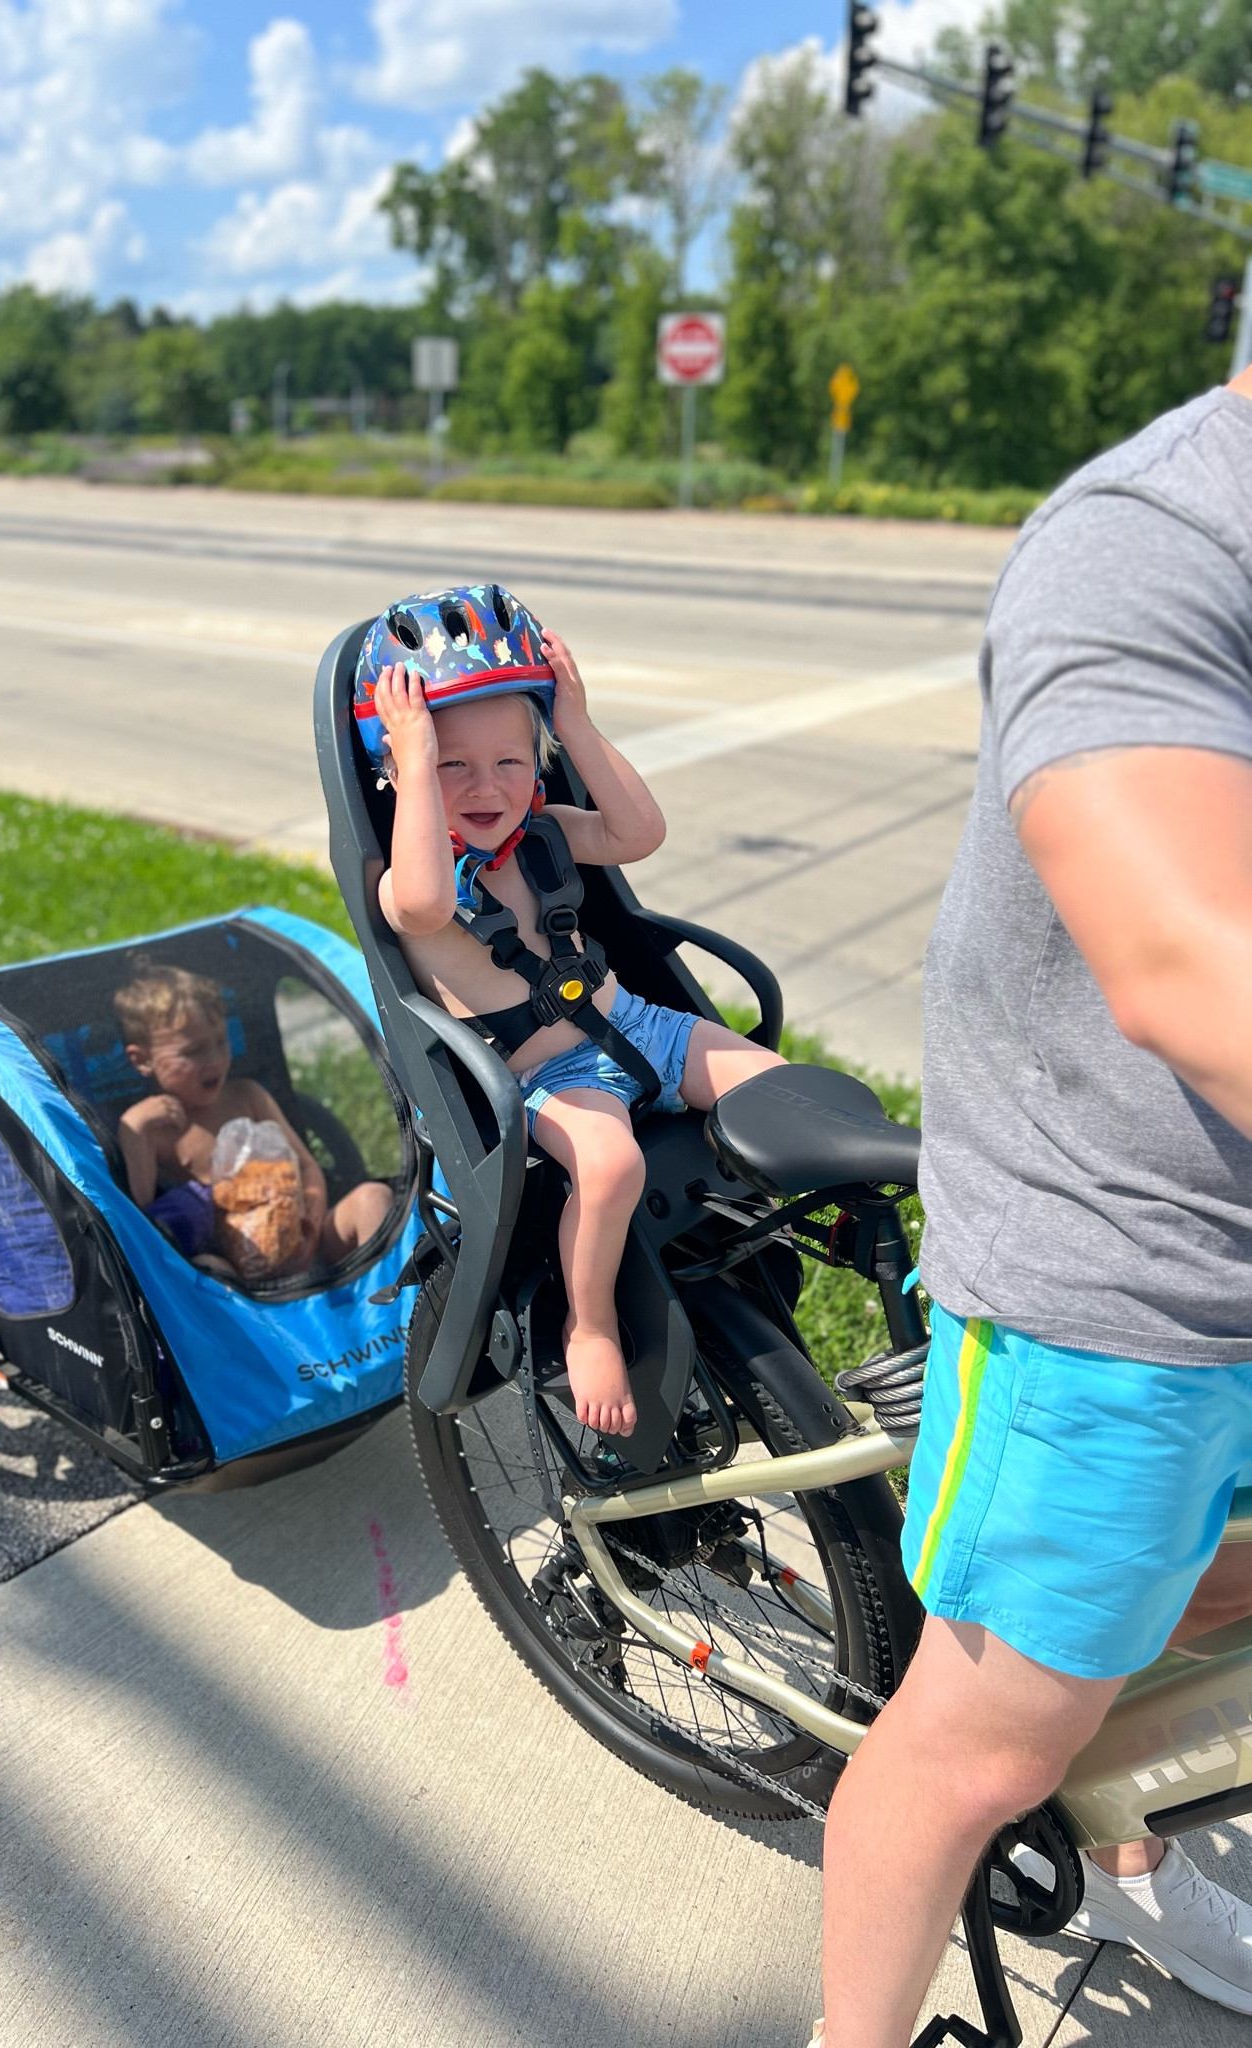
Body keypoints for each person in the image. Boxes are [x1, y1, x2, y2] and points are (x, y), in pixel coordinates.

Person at [819, 365, 1252, 2045]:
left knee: (1203, 1613)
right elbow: (1187, 963)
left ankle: (1128, 1831)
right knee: (980, 1746)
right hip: (1124, 1299)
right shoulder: (1154, 537)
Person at [366, 588, 782, 1436]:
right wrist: (413, 761)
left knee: (781, 1093)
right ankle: (590, 1325)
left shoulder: (546, 833)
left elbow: (638, 833)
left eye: (509, 762)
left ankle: (775, 1249)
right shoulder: (412, 886)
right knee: (610, 1163)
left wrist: (576, 726)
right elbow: (423, 903)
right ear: (399, 772)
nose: (486, 786)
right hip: (546, 1079)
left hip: (643, 1030)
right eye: (451, 766)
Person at [113, 963, 390, 1276]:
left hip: (301, 1239)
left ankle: (395, 1297)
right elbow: (139, 1220)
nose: (214, 1059)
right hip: (238, 1277)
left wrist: (310, 1219)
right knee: (207, 1267)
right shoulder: (156, 1129)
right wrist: (133, 1130)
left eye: (221, 1041)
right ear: (142, 1060)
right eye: (193, 1051)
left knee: (372, 1199)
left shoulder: (246, 1096)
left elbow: (305, 1166)